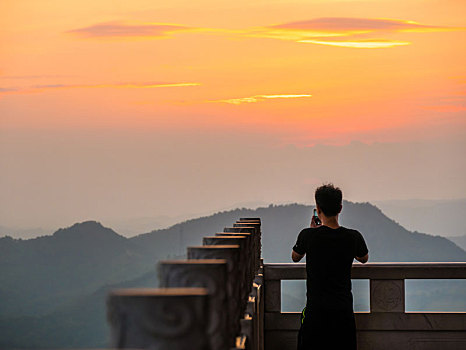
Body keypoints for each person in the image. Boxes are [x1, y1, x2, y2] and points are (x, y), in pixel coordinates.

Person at [292, 184, 369, 350]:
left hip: (315, 311)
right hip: (343, 312)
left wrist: (314, 231)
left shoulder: (307, 235)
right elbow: (363, 258)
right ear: (340, 208)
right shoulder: (353, 237)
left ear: (318, 209)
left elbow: (295, 257)